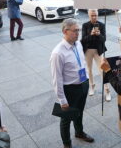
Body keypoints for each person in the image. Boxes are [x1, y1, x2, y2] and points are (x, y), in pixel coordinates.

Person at [50, 18, 94, 148]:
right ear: (65, 31)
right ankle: (67, 144)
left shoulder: (78, 44)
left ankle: (79, 132)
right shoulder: (58, 53)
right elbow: (56, 79)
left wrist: (86, 80)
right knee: (66, 119)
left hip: (83, 84)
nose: (78, 33)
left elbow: (82, 63)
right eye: (75, 31)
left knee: (79, 112)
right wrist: (62, 100)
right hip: (70, 89)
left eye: (78, 30)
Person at [81, 9, 111, 101]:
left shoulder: (101, 25)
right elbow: (83, 40)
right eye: (92, 15)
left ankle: (107, 90)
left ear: (97, 15)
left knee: (102, 70)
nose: (94, 17)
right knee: (88, 70)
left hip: (98, 51)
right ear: (89, 15)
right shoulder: (85, 25)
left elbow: (104, 39)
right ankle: (91, 86)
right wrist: (91, 34)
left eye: (95, 15)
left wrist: (98, 35)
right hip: (88, 51)